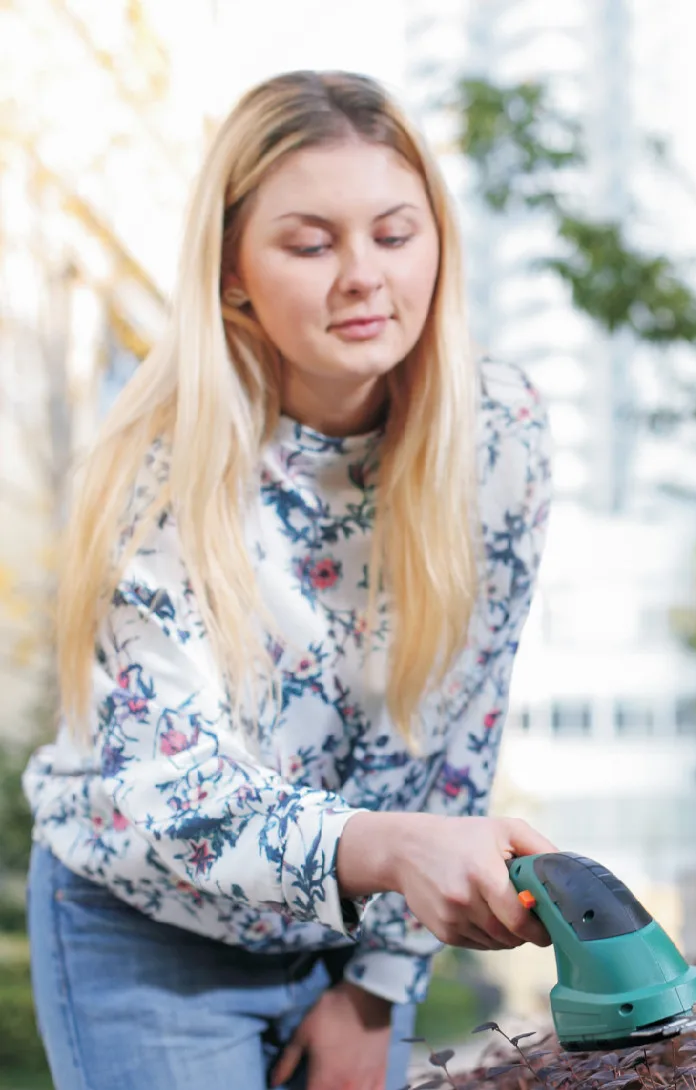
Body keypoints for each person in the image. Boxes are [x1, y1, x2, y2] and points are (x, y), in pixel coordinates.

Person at [22, 69, 558, 1090]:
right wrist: (396, 850)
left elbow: (460, 731)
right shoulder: (159, 461)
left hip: (340, 933)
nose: (361, 275)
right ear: (232, 271)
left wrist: (375, 989)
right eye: (311, 244)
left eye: (394, 235)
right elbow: (170, 793)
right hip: (143, 932)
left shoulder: (501, 433)